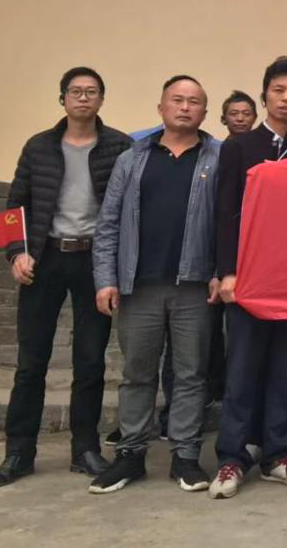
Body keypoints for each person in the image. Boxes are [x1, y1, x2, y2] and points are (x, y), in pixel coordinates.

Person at [0, 67, 131, 489]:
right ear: (62, 98)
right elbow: (16, 205)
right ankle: (18, 452)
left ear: (101, 99)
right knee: (31, 362)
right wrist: (16, 253)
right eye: (75, 91)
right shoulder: (39, 147)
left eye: (91, 91)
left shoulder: (119, 147)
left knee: (90, 360)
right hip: (44, 258)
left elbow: (129, 207)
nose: (83, 98)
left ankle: (85, 449)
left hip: (94, 261)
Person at [87, 76, 220, 495]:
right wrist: (105, 279)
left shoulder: (217, 158)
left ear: (204, 112)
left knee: (191, 374)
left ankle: (185, 455)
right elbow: (108, 224)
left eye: (194, 102)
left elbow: (228, 223)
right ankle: (131, 454)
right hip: (138, 285)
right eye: (177, 100)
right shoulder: (133, 158)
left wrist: (221, 271)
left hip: (194, 285)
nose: (185, 107)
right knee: (137, 374)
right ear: (161, 108)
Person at [208, 57, 287, 498]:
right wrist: (227, 272)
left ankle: (278, 455)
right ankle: (232, 458)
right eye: (279, 91)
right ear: (265, 95)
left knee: (285, 371)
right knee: (242, 370)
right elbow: (224, 214)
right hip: (249, 278)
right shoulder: (239, 146)